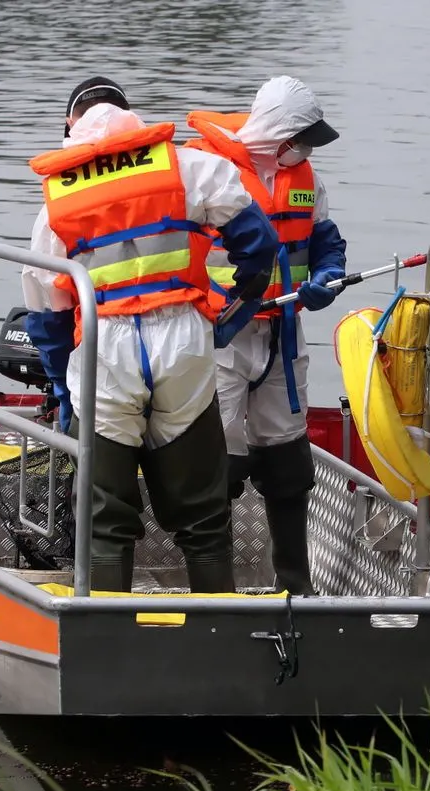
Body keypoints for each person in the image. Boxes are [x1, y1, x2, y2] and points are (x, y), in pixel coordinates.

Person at [19, 76, 280, 594]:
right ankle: (219, 630)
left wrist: (59, 385)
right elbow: (258, 243)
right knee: (203, 516)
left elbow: (47, 313)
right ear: (131, 115)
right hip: (183, 343)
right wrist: (233, 310)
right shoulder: (189, 166)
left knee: (104, 517)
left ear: (71, 125)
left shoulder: (56, 203)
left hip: (104, 349)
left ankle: (106, 635)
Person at [183, 76, 349, 596]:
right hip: (220, 333)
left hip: (283, 332)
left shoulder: (306, 178)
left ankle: (296, 587)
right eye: (300, 136)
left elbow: (326, 241)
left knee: (287, 460)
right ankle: (213, 591)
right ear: (278, 131)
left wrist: (327, 277)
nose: (305, 148)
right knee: (218, 461)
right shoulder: (200, 171)